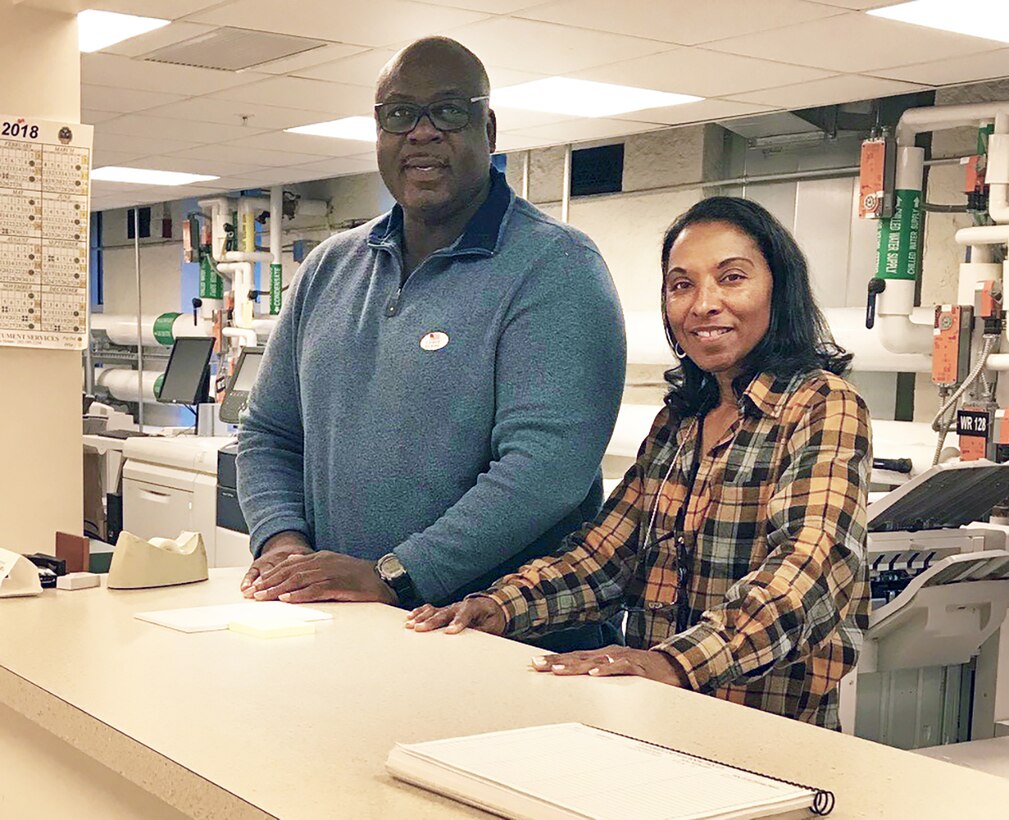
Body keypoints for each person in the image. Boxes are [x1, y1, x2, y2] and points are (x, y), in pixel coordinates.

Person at [407, 196, 872, 729]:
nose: (704, 304)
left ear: (778, 290)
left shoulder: (822, 405)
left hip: (766, 734)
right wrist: (500, 606)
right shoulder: (680, 422)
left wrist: (672, 663)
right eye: (682, 285)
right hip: (659, 721)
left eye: (732, 278)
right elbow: (606, 557)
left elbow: (807, 573)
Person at [236, 37, 626, 651]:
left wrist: (397, 573)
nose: (421, 133)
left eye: (448, 110)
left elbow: (545, 470)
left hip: (504, 645)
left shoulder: (556, 268)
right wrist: (286, 551)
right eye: (399, 114)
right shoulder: (328, 268)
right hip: (347, 627)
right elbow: (268, 434)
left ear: (488, 128)